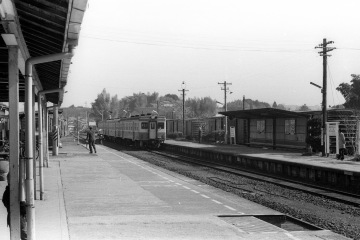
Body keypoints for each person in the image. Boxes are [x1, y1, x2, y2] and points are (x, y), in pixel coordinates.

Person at [2, 174, 27, 240]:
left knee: (16, 235)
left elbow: (4, 201)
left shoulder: (7, 191)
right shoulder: (17, 191)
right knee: (24, 235)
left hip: (12, 215)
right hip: (19, 216)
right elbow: (22, 204)